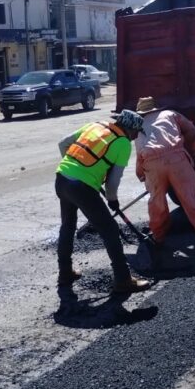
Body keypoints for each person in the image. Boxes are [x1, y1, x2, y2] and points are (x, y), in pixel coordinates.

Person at [55, 109, 151, 292]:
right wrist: (112, 199)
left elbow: (63, 144)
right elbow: (113, 181)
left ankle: (65, 272)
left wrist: (76, 169)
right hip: (81, 187)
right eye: (136, 133)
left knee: (67, 226)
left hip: (62, 178)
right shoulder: (122, 143)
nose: (135, 137)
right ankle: (123, 280)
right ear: (130, 129)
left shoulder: (95, 125)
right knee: (109, 229)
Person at [134, 96, 195, 256]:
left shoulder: (139, 125)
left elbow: (139, 153)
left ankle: (158, 239)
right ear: (156, 108)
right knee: (193, 200)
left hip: (151, 162)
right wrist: (193, 148)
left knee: (157, 203)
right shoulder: (170, 114)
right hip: (177, 159)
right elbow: (190, 129)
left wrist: (141, 173)